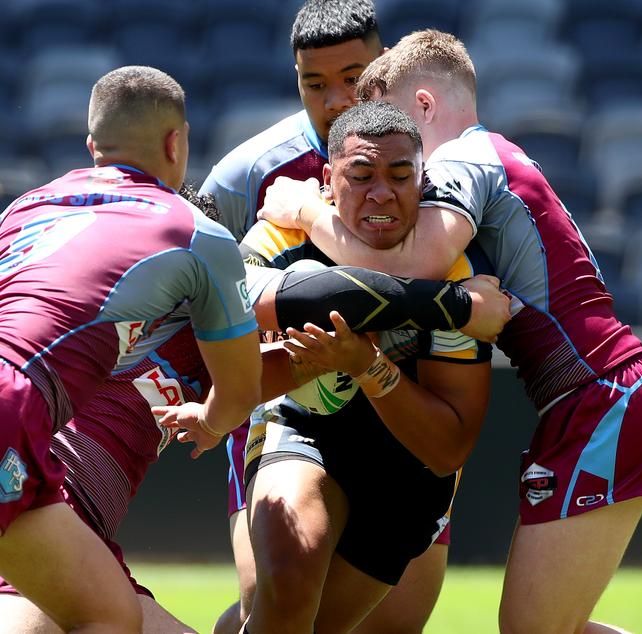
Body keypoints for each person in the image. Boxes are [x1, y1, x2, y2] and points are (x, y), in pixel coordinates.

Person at [258, 29, 642, 634]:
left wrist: (309, 211)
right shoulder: (497, 154)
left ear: (421, 105)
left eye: (399, 126)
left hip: (598, 395)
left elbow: (404, 269)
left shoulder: (467, 156)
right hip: (603, 391)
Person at [0, 181, 508, 634]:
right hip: (37, 510)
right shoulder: (105, 308)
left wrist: (342, 359)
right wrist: (459, 306)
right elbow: (327, 294)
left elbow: (295, 353)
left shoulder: (214, 340)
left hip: (80, 533)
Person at [199, 0, 454, 633]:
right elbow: (212, 290)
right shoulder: (246, 175)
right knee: (275, 593)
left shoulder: (440, 157)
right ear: (297, 82)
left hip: (406, 417)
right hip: (289, 403)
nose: (338, 97)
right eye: (317, 84)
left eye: (353, 77)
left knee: (390, 623)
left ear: (387, 61)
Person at [0, 65, 263, 632]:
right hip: (11, 410)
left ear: (93, 147)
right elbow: (242, 389)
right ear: (177, 142)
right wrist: (212, 422)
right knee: (102, 616)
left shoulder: (23, 208)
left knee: (111, 612)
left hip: (27, 437)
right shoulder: (194, 232)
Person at [224, 100, 497, 634]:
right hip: (302, 429)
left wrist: (366, 365)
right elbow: (232, 370)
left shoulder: (457, 266)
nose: (382, 194)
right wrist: (315, 362)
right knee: (286, 580)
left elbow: (447, 449)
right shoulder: (278, 240)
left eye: (401, 176)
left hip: (409, 474)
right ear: (327, 179)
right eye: (361, 175)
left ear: (424, 181)